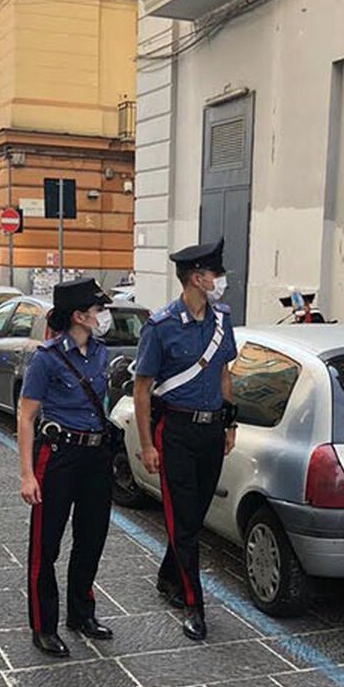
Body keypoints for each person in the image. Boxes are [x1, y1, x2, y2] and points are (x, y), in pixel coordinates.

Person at [133, 239, 238, 641]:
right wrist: (147, 444)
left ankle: (167, 577)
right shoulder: (161, 326)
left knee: (192, 517)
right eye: (215, 273)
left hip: (211, 430)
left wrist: (230, 423)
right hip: (175, 431)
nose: (220, 280)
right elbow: (143, 389)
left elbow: (224, 372)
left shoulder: (222, 319)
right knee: (184, 521)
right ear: (197, 278)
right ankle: (194, 604)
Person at [17, 277, 116, 658]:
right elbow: (26, 417)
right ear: (79, 316)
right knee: (47, 545)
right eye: (98, 310)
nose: (102, 316)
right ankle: (43, 625)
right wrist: (28, 474)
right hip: (58, 456)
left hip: (96, 456)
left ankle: (81, 613)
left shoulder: (102, 353)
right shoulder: (47, 358)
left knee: (92, 538)